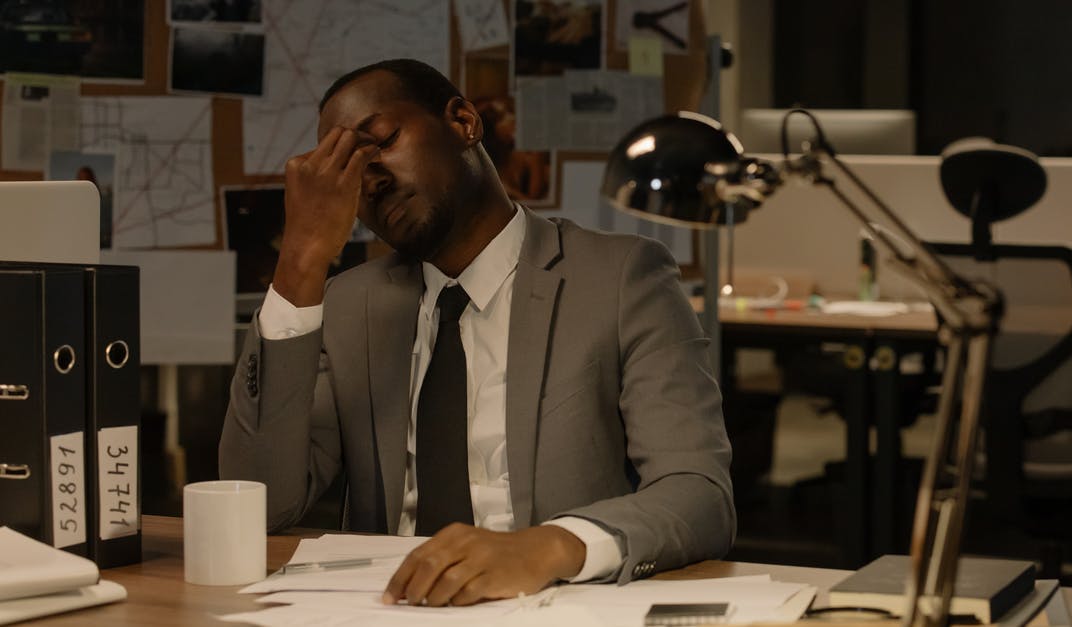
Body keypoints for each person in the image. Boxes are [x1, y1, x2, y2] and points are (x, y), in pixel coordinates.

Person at [218, 58, 733, 608]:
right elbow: (263, 505)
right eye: (345, 170)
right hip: (386, 608)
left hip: (551, 604)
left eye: (382, 142)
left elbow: (698, 494)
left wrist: (548, 547)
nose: (370, 179)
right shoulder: (348, 304)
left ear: (464, 121)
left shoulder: (621, 278)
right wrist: (300, 261)